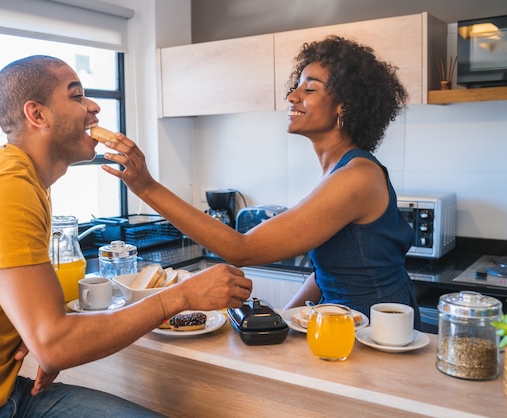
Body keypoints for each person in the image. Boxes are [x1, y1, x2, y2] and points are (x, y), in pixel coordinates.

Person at [0, 55, 252, 417]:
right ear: (36, 114)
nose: (93, 107)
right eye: (76, 96)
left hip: (0, 394)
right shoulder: (8, 188)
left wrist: (39, 335)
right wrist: (181, 295)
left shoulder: (25, 180)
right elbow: (55, 345)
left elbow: (32, 319)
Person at [100, 35, 421, 327]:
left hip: (376, 330)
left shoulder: (356, 177)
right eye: (297, 85)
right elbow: (328, 272)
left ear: (344, 107)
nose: (292, 96)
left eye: (309, 88)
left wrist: (146, 187)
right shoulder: (341, 170)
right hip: (341, 323)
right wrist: (284, 317)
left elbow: (243, 249)